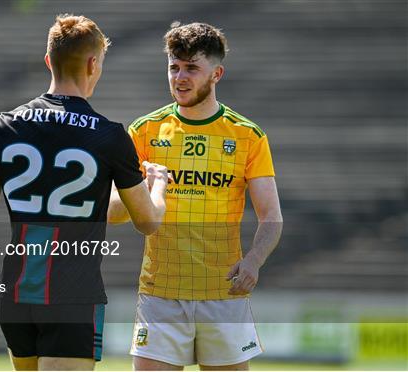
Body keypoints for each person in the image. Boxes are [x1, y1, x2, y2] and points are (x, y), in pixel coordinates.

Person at [0, 14, 169, 371]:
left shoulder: (4, 126)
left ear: (48, 61)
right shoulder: (108, 135)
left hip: (16, 294)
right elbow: (147, 221)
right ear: (92, 64)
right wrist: (159, 183)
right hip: (73, 295)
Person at [108, 22, 283, 370]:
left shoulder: (247, 135)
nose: (180, 77)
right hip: (160, 293)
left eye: (191, 68)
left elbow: (271, 216)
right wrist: (147, 188)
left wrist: (254, 260)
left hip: (223, 293)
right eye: (174, 67)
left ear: (216, 73)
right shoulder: (144, 131)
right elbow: (112, 213)